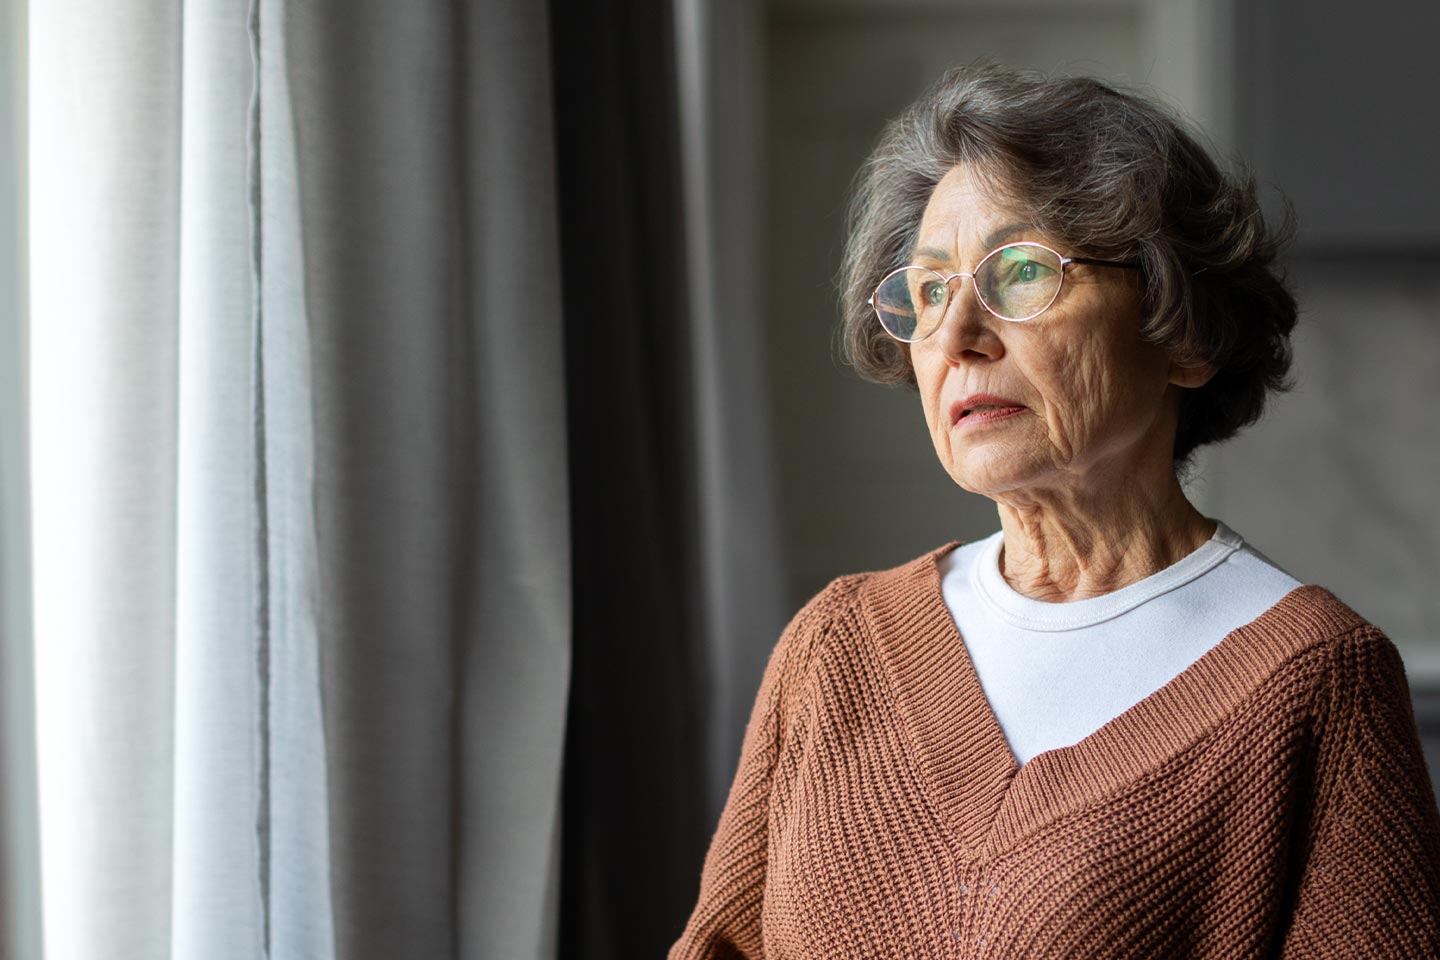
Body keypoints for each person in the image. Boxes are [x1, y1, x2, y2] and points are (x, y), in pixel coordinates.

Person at [668, 63, 1440, 959]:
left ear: (1182, 334)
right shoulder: (837, 647)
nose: (956, 337)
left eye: (1022, 272)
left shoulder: (1315, 681)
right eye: (927, 292)